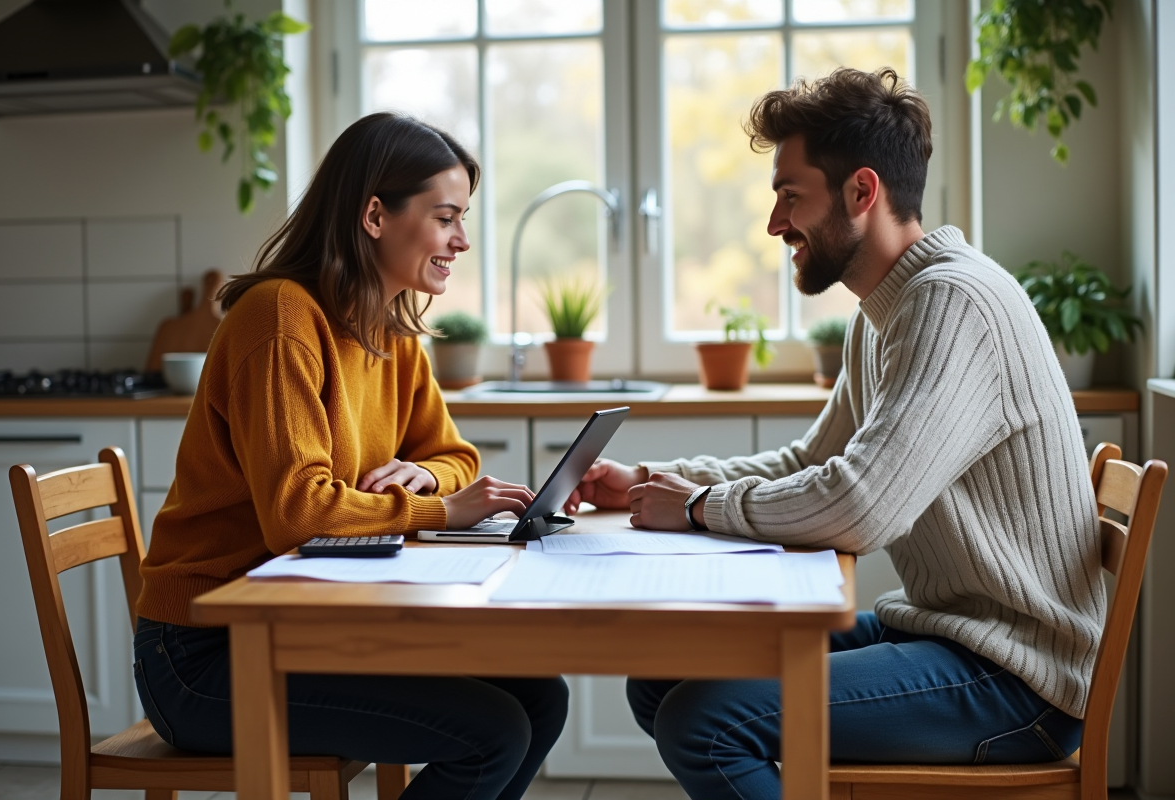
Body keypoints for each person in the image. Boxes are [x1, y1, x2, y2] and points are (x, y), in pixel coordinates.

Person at [564, 67, 1103, 799]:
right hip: (945, 635)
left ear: (862, 192)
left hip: (1015, 679)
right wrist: (661, 480)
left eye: (791, 196)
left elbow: (860, 505)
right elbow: (812, 461)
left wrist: (695, 510)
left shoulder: (951, 304)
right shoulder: (886, 311)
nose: (774, 224)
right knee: (664, 678)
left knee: (704, 720)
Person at [133, 112, 567, 800]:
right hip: (206, 655)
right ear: (374, 215)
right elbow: (297, 515)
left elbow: (453, 452)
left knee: (540, 699)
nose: (462, 239)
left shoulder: (387, 328)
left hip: (301, 625)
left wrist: (425, 474)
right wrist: (441, 509)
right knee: (495, 733)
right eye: (446, 216)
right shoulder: (280, 319)